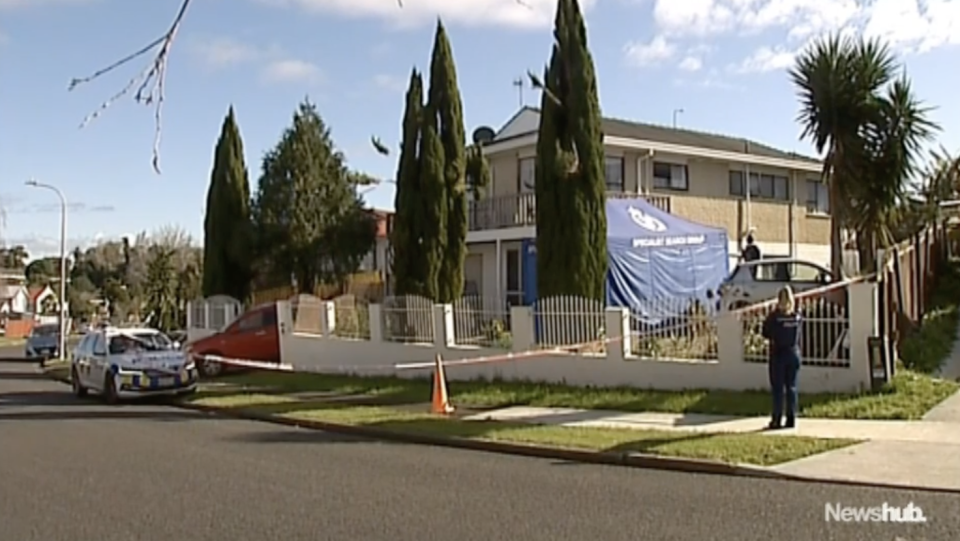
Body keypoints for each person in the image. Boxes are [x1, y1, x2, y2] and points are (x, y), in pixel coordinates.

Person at [761, 286, 802, 429]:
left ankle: (777, 419)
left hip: (778, 355)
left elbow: (765, 332)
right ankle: (791, 419)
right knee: (791, 387)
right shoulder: (796, 316)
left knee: (778, 389)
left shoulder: (775, 317)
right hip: (793, 353)